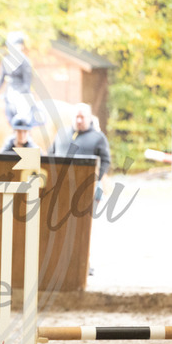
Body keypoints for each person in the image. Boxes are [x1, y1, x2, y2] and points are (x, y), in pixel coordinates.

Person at [49, 102, 111, 277]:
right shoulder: (62, 134)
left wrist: (95, 180)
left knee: (83, 229)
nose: (78, 120)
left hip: (88, 191)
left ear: (89, 118)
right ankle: (59, 263)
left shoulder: (98, 138)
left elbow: (105, 161)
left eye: (82, 116)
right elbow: (50, 155)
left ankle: (83, 264)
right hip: (61, 190)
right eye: (76, 116)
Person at [0, 32, 33, 124]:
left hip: (22, 93)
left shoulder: (25, 62)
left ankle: (22, 128)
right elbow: (2, 78)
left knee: (22, 111)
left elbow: (27, 83)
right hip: (9, 92)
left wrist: (17, 92)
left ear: (21, 46)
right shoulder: (5, 60)